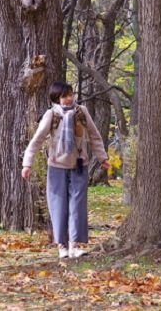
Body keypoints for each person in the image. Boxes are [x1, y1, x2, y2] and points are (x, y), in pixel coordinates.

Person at [22, 81, 110, 259]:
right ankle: (62, 245)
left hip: (79, 164)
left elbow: (95, 136)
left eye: (71, 94)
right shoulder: (51, 115)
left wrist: (103, 158)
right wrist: (27, 164)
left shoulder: (81, 112)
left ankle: (75, 245)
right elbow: (37, 140)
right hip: (57, 166)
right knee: (58, 206)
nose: (69, 99)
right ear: (56, 98)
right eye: (64, 96)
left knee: (78, 204)